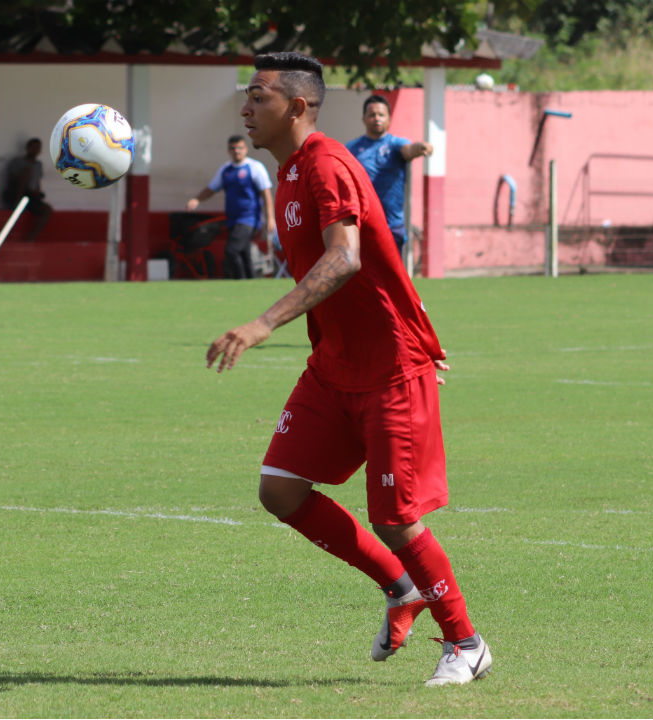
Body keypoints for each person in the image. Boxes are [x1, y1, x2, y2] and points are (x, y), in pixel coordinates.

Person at [206, 52, 491, 687]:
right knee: (279, 489)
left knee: (395, 517)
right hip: (334, 367)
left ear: (297, 107)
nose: (246, 108)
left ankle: (465, 642)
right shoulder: (284, 174)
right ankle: (399, 588)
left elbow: (347, 260)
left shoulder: (327, 164)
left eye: (258, 97)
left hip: (389, 368)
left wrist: (261, 324)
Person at [345, 95, 432, 252]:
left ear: (389, 118)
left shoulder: (395, 144)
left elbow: (409, 150)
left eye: (381, 115)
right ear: (363, 119)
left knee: (391, 276)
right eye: (372, 115)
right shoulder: (351, 148)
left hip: (391, 224)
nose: (376, 118)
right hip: (362, 223)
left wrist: (420, 147)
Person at [187, 135, 276, 279]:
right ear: (229, 150)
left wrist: (270, 218)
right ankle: (252, 282)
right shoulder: (226, 170)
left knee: (231, 250)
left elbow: (266, 194)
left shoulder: (254, 167)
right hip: (232, 219)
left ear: (246, 149)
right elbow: (212, 188)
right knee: (243, 252)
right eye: (233, 148)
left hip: (249, 218)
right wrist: (197, 199)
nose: (237, 151)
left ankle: (239, 281)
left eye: (240, 148)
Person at [4, 138, 53, 242]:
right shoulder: (17, 162)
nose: (35, 150)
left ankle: (30, 239)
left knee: (47, 209)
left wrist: (38, 193)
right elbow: (11, 179)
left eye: (38, 148)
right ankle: (17, 203)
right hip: (16, 193)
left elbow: (37, 182)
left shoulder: (38, 165)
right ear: (27, 148)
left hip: (31, 196)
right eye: (33, 147)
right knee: (27, 171)